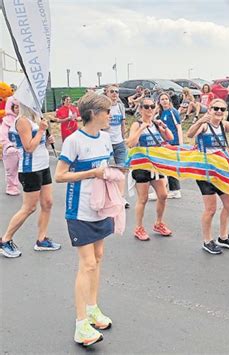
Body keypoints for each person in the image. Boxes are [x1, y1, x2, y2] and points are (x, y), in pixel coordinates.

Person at [55, 92, 122, 346]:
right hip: (79, 210)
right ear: (93, 113)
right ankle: (81, 324)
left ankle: (93, 308)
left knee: (99, 257)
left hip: (100, 207)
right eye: (107, 112)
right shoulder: (74, 141)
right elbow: (60, 175)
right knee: (88, 264)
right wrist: (92, 173)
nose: (110, 116)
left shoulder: (105, 138)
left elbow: (107, 167)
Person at [187, 98, 229, 254]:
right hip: (205, 172)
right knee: (211, 209)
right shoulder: (205, 125)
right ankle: (207, 241)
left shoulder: (223, 125)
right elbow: (190, 134)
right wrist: (200, 121)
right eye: (216, 108)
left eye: (222, 109)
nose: (219, 111)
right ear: (210, 109)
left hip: (221, 172)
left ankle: (223, 237)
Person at [1, 104, 59, 258]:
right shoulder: (22, 121)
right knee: (29, 207)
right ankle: (5, 240)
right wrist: (41, 130)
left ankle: (41, 240)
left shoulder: (34, 118)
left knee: (47, 203)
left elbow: (38, 144)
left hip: (43, 166)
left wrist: (47, 141)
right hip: (30, 169)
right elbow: (28, 147)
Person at [126, 97, 174, 241]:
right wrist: (141, 128)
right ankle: (138, 227)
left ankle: (159, 223)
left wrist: (163, 126)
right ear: (140, 109)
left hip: (156, 165)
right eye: (146, 107)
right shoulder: (136, 124)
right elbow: (130, 143)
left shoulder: (156, 124)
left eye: (152, 106)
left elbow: (170, 138)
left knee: (163, 195)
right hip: (141, 166)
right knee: (143, 198)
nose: (149, 109)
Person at [157, 92, 183, 199]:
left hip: (173, 143)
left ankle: (175, 190)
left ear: (169, 100)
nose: (164, 101)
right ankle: (163, 188)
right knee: (164, 166)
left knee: (171, 166)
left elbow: (179, 127)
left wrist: (180, 144)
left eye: (166, 99)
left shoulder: (173, 112)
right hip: (164, 143)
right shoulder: (161, 113)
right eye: (162, 99)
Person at [0, 97, 20, 195]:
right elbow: (3, 136)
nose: (18, 109)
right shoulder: (6, 121)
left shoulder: (24, 119)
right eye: (16, 107)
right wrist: (8, 146)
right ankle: (11, 187)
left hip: (23, 148)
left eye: (19, 107)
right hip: (10, 150)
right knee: (11, 170)